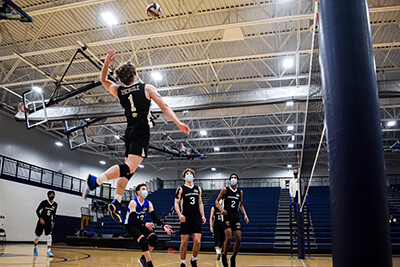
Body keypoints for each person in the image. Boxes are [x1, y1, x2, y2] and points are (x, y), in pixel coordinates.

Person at [82, 49, 190, 223]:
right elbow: (164, 106)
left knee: (128, 170)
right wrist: (178, 123)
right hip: (141, 131)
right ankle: (97, 180)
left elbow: (103, 80)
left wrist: (106, 63)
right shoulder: (146, 88)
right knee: (127, 169)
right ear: (134, 74)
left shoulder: (119, 91)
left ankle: (116, 201)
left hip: (129, 131)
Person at [125, 183, 173, 267]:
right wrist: (144, 223)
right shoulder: (133, 202)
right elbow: (133, 219)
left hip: (141, 224)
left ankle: (143, 258)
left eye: (146, 189)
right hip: (130, 225)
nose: (145, 191)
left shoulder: (148, 203)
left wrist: (163, 225)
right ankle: (149, 264)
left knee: (153, 238)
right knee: (143, 240)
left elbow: (154, 218)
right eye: (143, 189)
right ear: (138, 192)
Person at [215, 174, 249, 267]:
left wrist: (245, 215)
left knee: (238, 238)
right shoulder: (225, 190)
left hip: (235, 217)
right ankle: (224, 255)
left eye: (235, 178)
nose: (233, 179)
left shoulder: (240, 192)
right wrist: (221, 210)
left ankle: (233, 257)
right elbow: (216, 201)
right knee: (229, 237)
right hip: (226, 216)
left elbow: (240, 205)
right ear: (229, 180)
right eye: (232, 178)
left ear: (237, 181)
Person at [174, 168, 206, 267]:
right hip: (186, 218)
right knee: (184, 242)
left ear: (194, 177)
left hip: (196, 218)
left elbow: (200, 203)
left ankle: (193, 259)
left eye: (191, 174)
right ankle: (182, 262)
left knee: (197, 241)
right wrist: (180, 214)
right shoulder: (181, 189)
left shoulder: (198, 188)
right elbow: (176, 203)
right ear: (184, 177)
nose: (189, 175)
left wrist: (203, 215)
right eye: (187, 174)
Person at [33, 191, 58, 257]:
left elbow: (54, 214)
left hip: (48, 222)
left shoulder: (55, 204)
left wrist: (53, 222)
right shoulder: (44, 202)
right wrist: (40, 219)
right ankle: (35, 247)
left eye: (53, 194)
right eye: (51, 194)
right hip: (41, 221)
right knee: (37, 236)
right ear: (48, 195)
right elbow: (37, 210)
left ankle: (49, 251)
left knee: (49, 236)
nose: (52, 196)